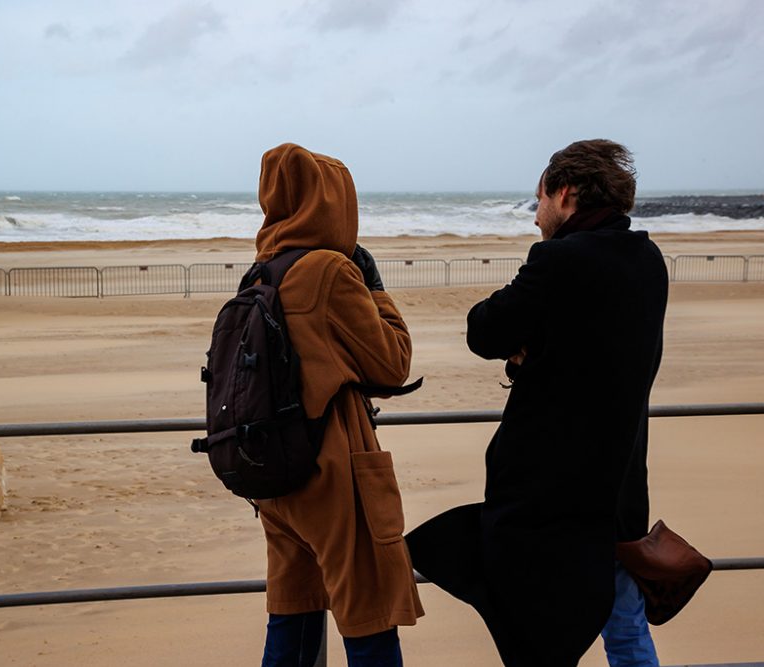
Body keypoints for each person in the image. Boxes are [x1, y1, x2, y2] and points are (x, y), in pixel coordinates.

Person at [405, 139, 668, 666]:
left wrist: (530, 353)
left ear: (564, 192)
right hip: (616, 490)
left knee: (536, 630)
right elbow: (602, 351)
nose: (535, 218)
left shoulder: (558, 260)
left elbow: (484, 329)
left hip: (551, 499)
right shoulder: (648, 260)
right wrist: (541, 350)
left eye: (539, 201)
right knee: (623, 625)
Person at [253, 143, 423, 666]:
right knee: (369, 615)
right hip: (333, 471)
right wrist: (375, 287)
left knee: (294, 614)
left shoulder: (263, 270)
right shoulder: (329, 269)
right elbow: (392, 363)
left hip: (275, 469)